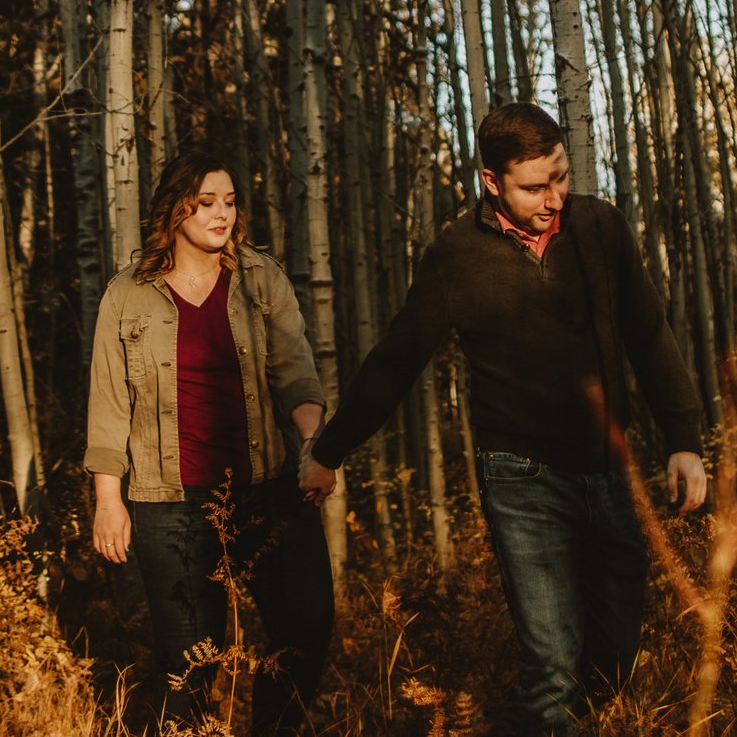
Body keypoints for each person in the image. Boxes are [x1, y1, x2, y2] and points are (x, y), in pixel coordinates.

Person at [298, 102, 706, 736]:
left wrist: (683, 438)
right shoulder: (456, 257)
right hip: (523, 479)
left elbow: (649, 335)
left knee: (617, 663)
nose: (554, 198)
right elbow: (395, 361)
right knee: (553, 670)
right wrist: (329, 451)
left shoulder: (600, 228)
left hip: (610, 472)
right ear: (492, 182)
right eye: (536, 187)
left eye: (562, 177)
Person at [86, 145, 336, 734]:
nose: (221, 215)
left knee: (307, 626)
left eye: (229, 202)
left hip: (267, 489)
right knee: (189, 664)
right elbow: (108, 404)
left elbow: (295, 371)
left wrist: (313, 446)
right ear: (176, 210)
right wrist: (108, 499)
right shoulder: (128, 294)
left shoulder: (260, 278)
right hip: (169, 505)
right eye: (206, 203)